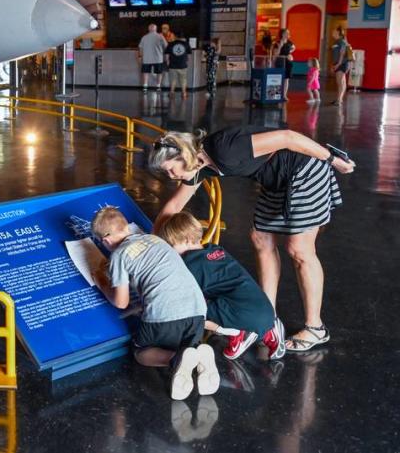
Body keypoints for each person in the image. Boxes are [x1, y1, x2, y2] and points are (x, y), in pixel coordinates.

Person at [150, 126, 355, 353]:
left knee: (299, 249)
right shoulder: (199, 166)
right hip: (276, 178)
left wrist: (332, 159)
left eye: (171, 170)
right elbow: (174, 206)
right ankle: (268, 320)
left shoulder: (224, 150)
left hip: (305, 170)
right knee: (260, 238)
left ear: (184, 156)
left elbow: (287, 137)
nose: (171, 177)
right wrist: (154, 244)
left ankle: (315, 328)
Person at [90, 206, 218, 400]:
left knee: (141, 352)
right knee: (185, 347)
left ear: (106, 240)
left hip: (166, 314)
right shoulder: (155, 239)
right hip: (198, 311)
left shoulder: (119, 255)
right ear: (126, 228)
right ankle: (197, 357)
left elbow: (121, 302)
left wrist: (101, 281)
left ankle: (176, 359)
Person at [155, 212, 285, 361]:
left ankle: (234, 332)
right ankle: (262, 331)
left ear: (186, 240)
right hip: (264, 308)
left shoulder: (189, 264)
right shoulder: (215, 249)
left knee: (189, 311)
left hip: (243, 313)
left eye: (172, 246)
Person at [138, 23, 168, 91]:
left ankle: (145, 86)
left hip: (146, 59)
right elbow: (166, 46)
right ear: (156, 29)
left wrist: (140, 57)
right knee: (159, 73)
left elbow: (140, 48)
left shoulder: (144, 37)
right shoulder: (160, 36)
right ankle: (158, 86)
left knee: (145, 73)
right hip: (158, 59)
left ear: (149, 29)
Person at [165, 31, 192, 98]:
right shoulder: (186, 44)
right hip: (183, 65)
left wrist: (168, 62)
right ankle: (184, 94)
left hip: (172, 65)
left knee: (173, 79)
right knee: (183, 79)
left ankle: (171, 93)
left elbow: (167, 55)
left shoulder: (170, 44)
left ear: (176, 36)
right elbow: (189, 56)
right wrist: (186, 62)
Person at [329, 27, 351, 105]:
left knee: (340, 82)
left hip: (342, 64)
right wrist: (333, 64)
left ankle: (339, 100)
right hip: (340, 63)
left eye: (334, 31)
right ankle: (339, 99)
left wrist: (338, 64)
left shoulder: (341, 41)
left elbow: (342, 52)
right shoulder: (337, 41)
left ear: (338, 33)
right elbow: (336, 54)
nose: (332, 33)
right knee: (342, 82)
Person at [272, 29, 295, 101]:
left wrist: (290, 53)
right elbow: (276, 54)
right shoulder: (277, 43)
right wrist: (280, 46)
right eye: (287, 33)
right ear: (282, 34)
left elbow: (294, 47)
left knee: (286, 79)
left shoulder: (290, 42)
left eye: (288, 33)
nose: (288, 34)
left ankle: (284, 95)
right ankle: (276, 94)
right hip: (280, 62)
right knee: (278, 78)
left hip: (288, 62)